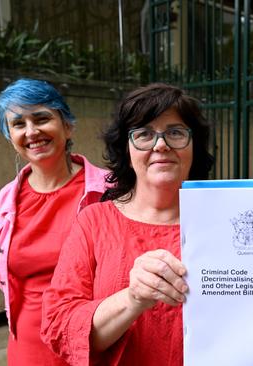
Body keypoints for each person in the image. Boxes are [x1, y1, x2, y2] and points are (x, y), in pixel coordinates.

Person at [40, 83, 214, 365]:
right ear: (126, 148)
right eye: (144, 134)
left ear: (194, 145)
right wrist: (132, 299)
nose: (161, 145)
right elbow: (60, 325)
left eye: (176, 132)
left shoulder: (223, 222)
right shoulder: (94, 222)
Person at [0, 78, 109, 365]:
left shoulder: (108, 190)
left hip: (92, 341)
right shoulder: (7, 199)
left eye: (42, 118)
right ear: (10, 136)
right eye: (18, 124)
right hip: (27, 345)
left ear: (67, 126)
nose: (31, 132)